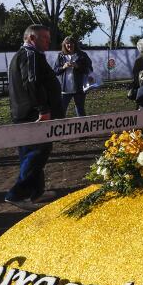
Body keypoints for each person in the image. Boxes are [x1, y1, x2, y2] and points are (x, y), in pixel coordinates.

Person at [6, 24, 64, 208]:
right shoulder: (30, 55)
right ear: (32, 38)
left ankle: (35, 192)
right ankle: (18, 194)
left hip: (27, 113)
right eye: (45, 38)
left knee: (31, 154)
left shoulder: (28, 55)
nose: (49, 41)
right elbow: (32, 82)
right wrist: (43, 110)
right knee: (37, 153)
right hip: (33, 114)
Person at [54, 36, 93, 117]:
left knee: (80, 111)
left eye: (71, 43)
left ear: (75, 44)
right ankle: (61, 128)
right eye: (67, 43)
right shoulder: (60, 56)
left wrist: (78, 66)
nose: (69, 45)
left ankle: (83, 128)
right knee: (61, 111)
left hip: (79, 89)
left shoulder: (82, 55)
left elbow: (89, 69)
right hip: (64, 90)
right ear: (64, 45)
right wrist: (63, 67)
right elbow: (55, 71)